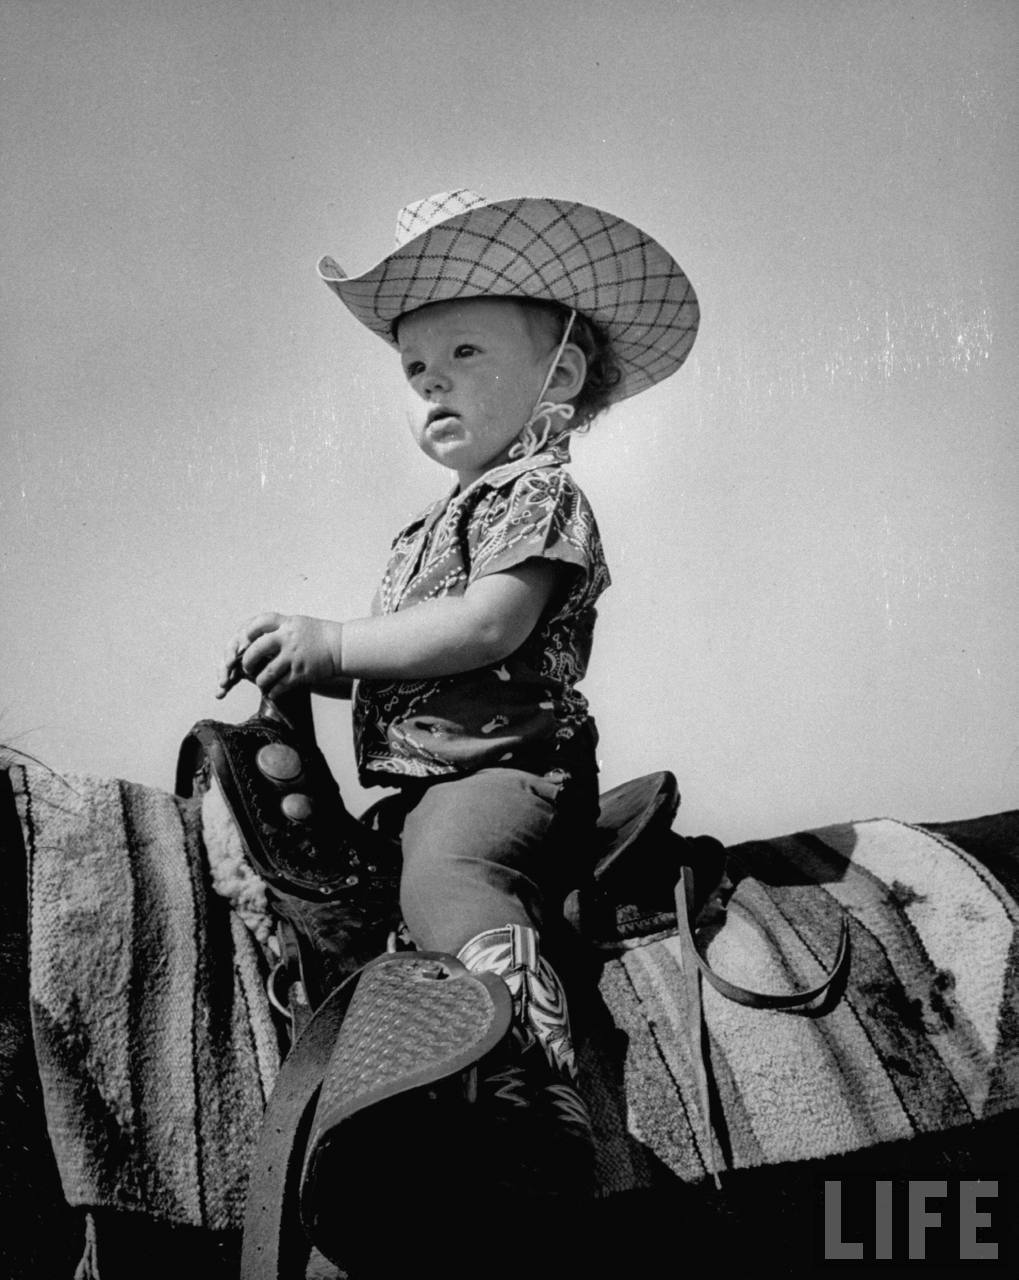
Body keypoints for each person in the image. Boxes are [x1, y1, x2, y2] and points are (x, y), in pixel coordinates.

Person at [213, 190, 698, 1209]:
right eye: (414, 367)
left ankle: (524, 1080)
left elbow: (486, 628)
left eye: (464, 352)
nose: (431, 379)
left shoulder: (539, 494)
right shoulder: (423, 530)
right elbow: (407, 660)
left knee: (450, 875)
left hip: (506, 774)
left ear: (558, 375)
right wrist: (300, 660)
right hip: (425, 785)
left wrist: (334, 640)